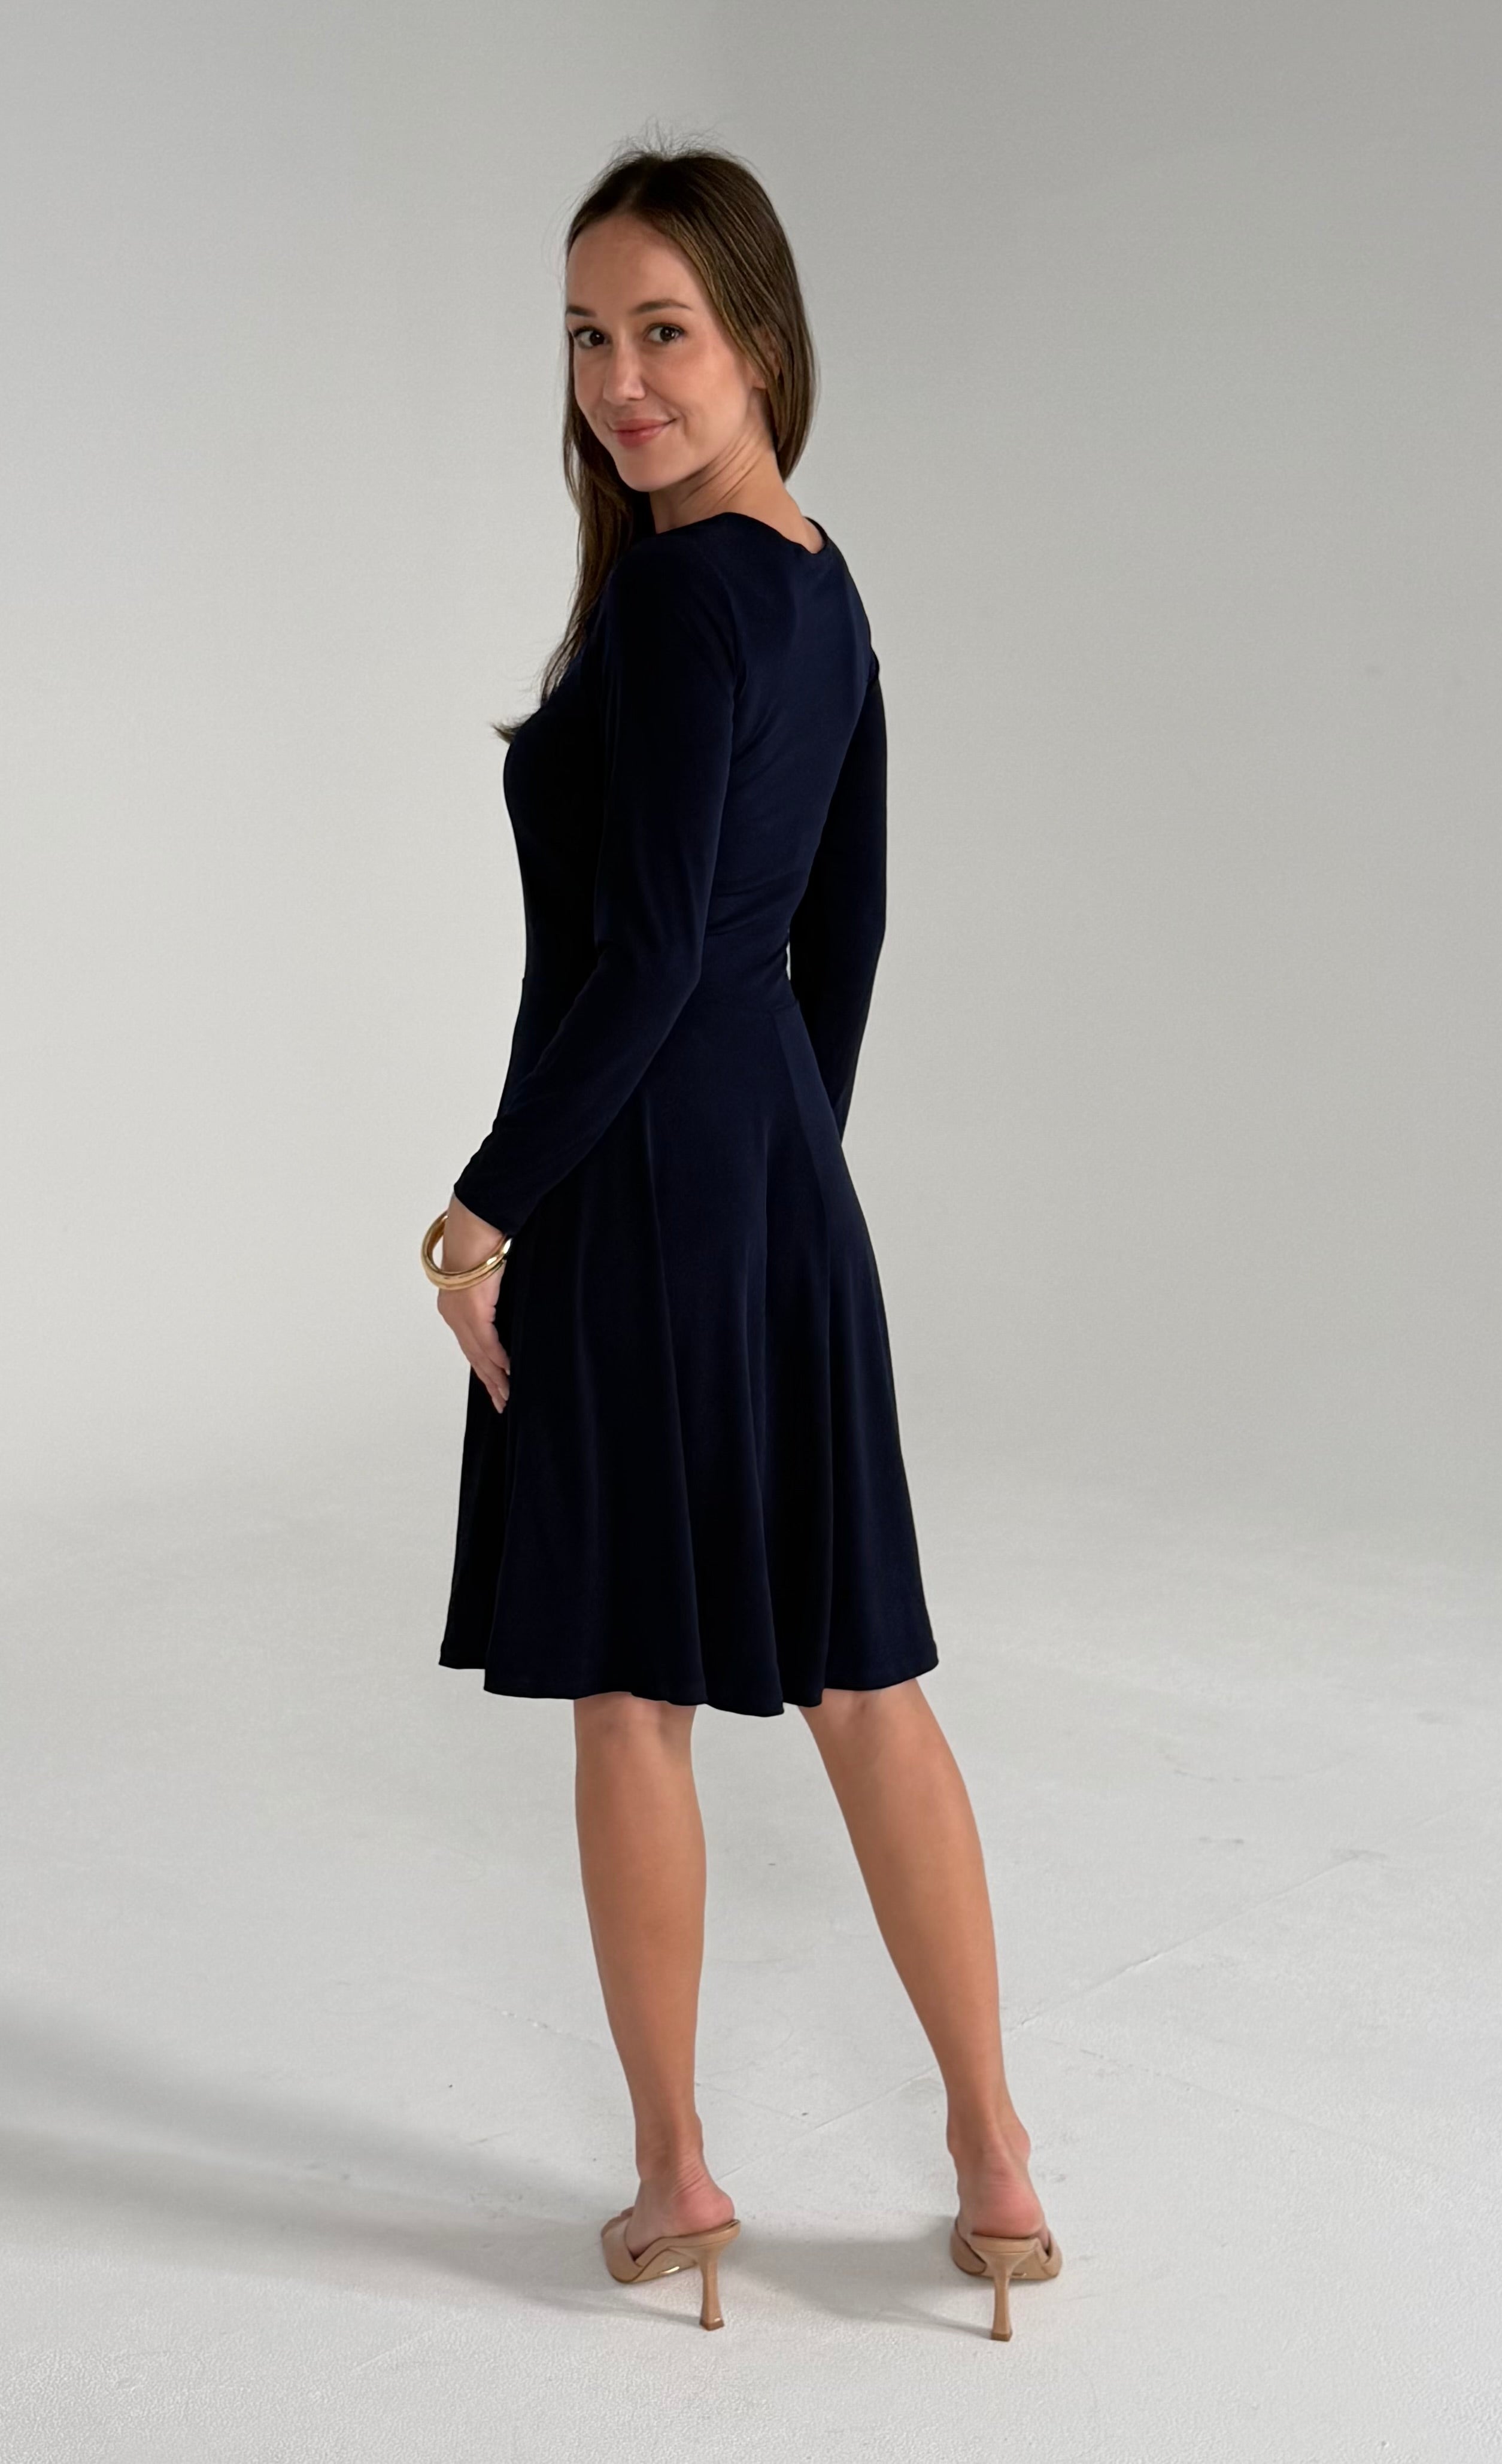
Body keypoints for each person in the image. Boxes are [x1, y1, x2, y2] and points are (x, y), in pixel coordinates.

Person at [424, 142, 1061, 2342]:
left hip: (629, 1171)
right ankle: (991, 2165)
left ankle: (676, 2171)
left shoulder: (689, 596)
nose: (620, 381)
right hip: (782, 1169)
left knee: (631, 1689)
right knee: (863, 1680)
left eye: (662, 331)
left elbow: (645, 951)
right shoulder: (816, 580)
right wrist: (789, 1169)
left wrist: (488, 1201)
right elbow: (838, 927)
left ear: (762, 338)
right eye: (588, 340)